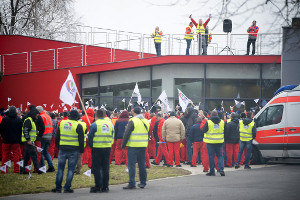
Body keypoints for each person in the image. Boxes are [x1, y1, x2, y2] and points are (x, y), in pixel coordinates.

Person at [51, 110, 84, 193]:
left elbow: (57, 136)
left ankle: (58, 188)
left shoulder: (62, 123)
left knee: (60, 169)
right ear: (77, 117)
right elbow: (81, 140)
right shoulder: (78, 125)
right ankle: (67, 187)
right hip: (73, 150)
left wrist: (58, 147)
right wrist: (81, 150)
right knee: (71, 169)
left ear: (69, 115)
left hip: (62, 149)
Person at [122, 107, 150, 189]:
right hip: (143, 145)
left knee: (131, 165)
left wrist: (123, 144)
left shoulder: (133, 121)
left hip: (133, 145)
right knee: (142, 164)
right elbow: (148, 134)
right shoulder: (145, 121)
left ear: (133, 112)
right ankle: (143, 182)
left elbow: (126, 133)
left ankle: (132, 183)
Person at [88, 109, 114, 193]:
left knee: (97, 168)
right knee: (105, 167)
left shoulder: (94, 125)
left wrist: (92, 146)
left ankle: (98, 186)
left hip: (97, 148)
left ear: (96, 116)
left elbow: (90, 137)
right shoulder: (110, 124)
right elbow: (113, 135)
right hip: (107, 147)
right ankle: (105, 186)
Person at [0, 106, 23, 173]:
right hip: (16, 141)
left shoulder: (5, 119)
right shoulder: (19, 119)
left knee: (5, 155)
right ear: (15, 111)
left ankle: (3, 170)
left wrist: (3, 136)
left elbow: (1, 129)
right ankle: (16, 170)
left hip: (6, 140)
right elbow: (20, 130)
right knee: (16, 156)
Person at [20, 107, 43, 174]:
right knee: (34, 155)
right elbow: (25, 130)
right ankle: (38, 170)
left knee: (26, 157)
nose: (38, 115)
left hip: (28, 141)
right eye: (37, 114)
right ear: (33, 114)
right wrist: (28, 140)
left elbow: (30, 131)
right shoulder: (29, 120)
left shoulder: (32, 120)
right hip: (28, 141)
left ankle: (22, 170)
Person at [202, 110, 225, 176]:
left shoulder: (208, 122)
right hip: (219, 142)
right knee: (220, 156)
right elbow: (225, 131)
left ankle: (212, 171)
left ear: (211, 115)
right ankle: (221, 170)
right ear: (217, 115)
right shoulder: (222, 122)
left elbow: (203, 130)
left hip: (210, 142)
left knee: (211, 157)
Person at [37, 106, 55, 172]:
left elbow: (39, 127)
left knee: (41, 152)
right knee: (46, 152)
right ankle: (51, 166)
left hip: (43, 135)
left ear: (39, 111)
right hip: (49, 135)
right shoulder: (48, 116)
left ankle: (42, 167)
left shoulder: (41, 117)